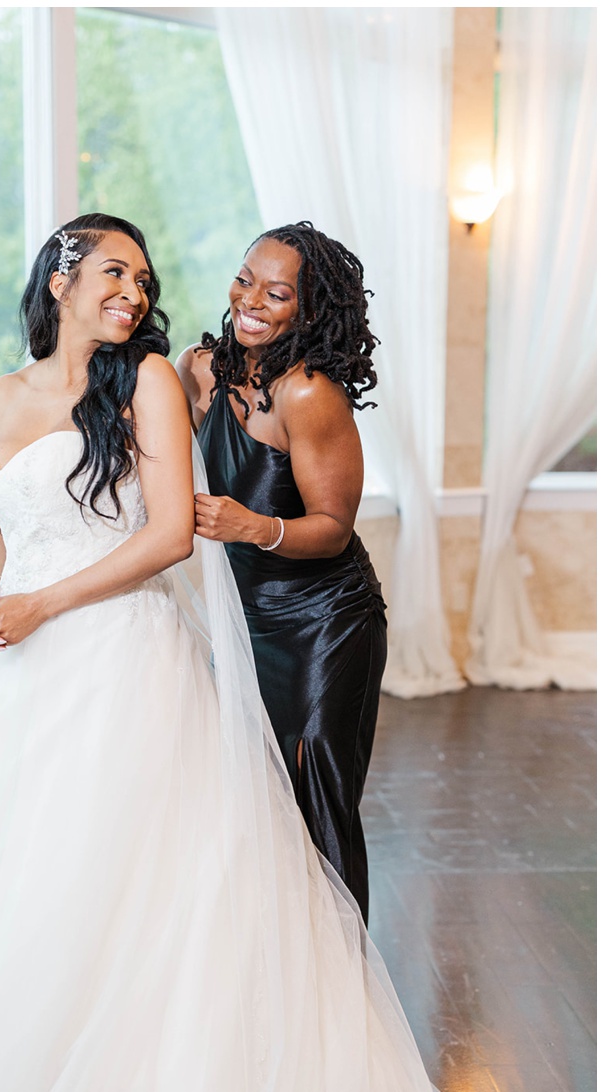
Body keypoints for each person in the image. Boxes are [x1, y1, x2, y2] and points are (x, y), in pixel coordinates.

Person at [0, 214, 595, 1092]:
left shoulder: (232, 390)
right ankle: (34, 1086)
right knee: (39, 883)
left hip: (274, 625)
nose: (138, 292)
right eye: (113, 273)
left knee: (276, 830)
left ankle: (302, 1038)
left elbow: (215, 527)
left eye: (142, 276)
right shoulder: (72, 384)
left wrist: (115, 578)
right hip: (50, 669)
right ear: (56, 278)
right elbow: (8, 514)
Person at [178, 221, 387, 920]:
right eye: (244, 280)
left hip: (327, 623)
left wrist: (253, 526)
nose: (251, 301)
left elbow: (332, 529)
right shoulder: (203, 368)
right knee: (251, 797)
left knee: (317, 792)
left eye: (277, 292)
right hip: (246, 622)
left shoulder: (308, 394)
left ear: (310, 308)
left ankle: (340, 985)